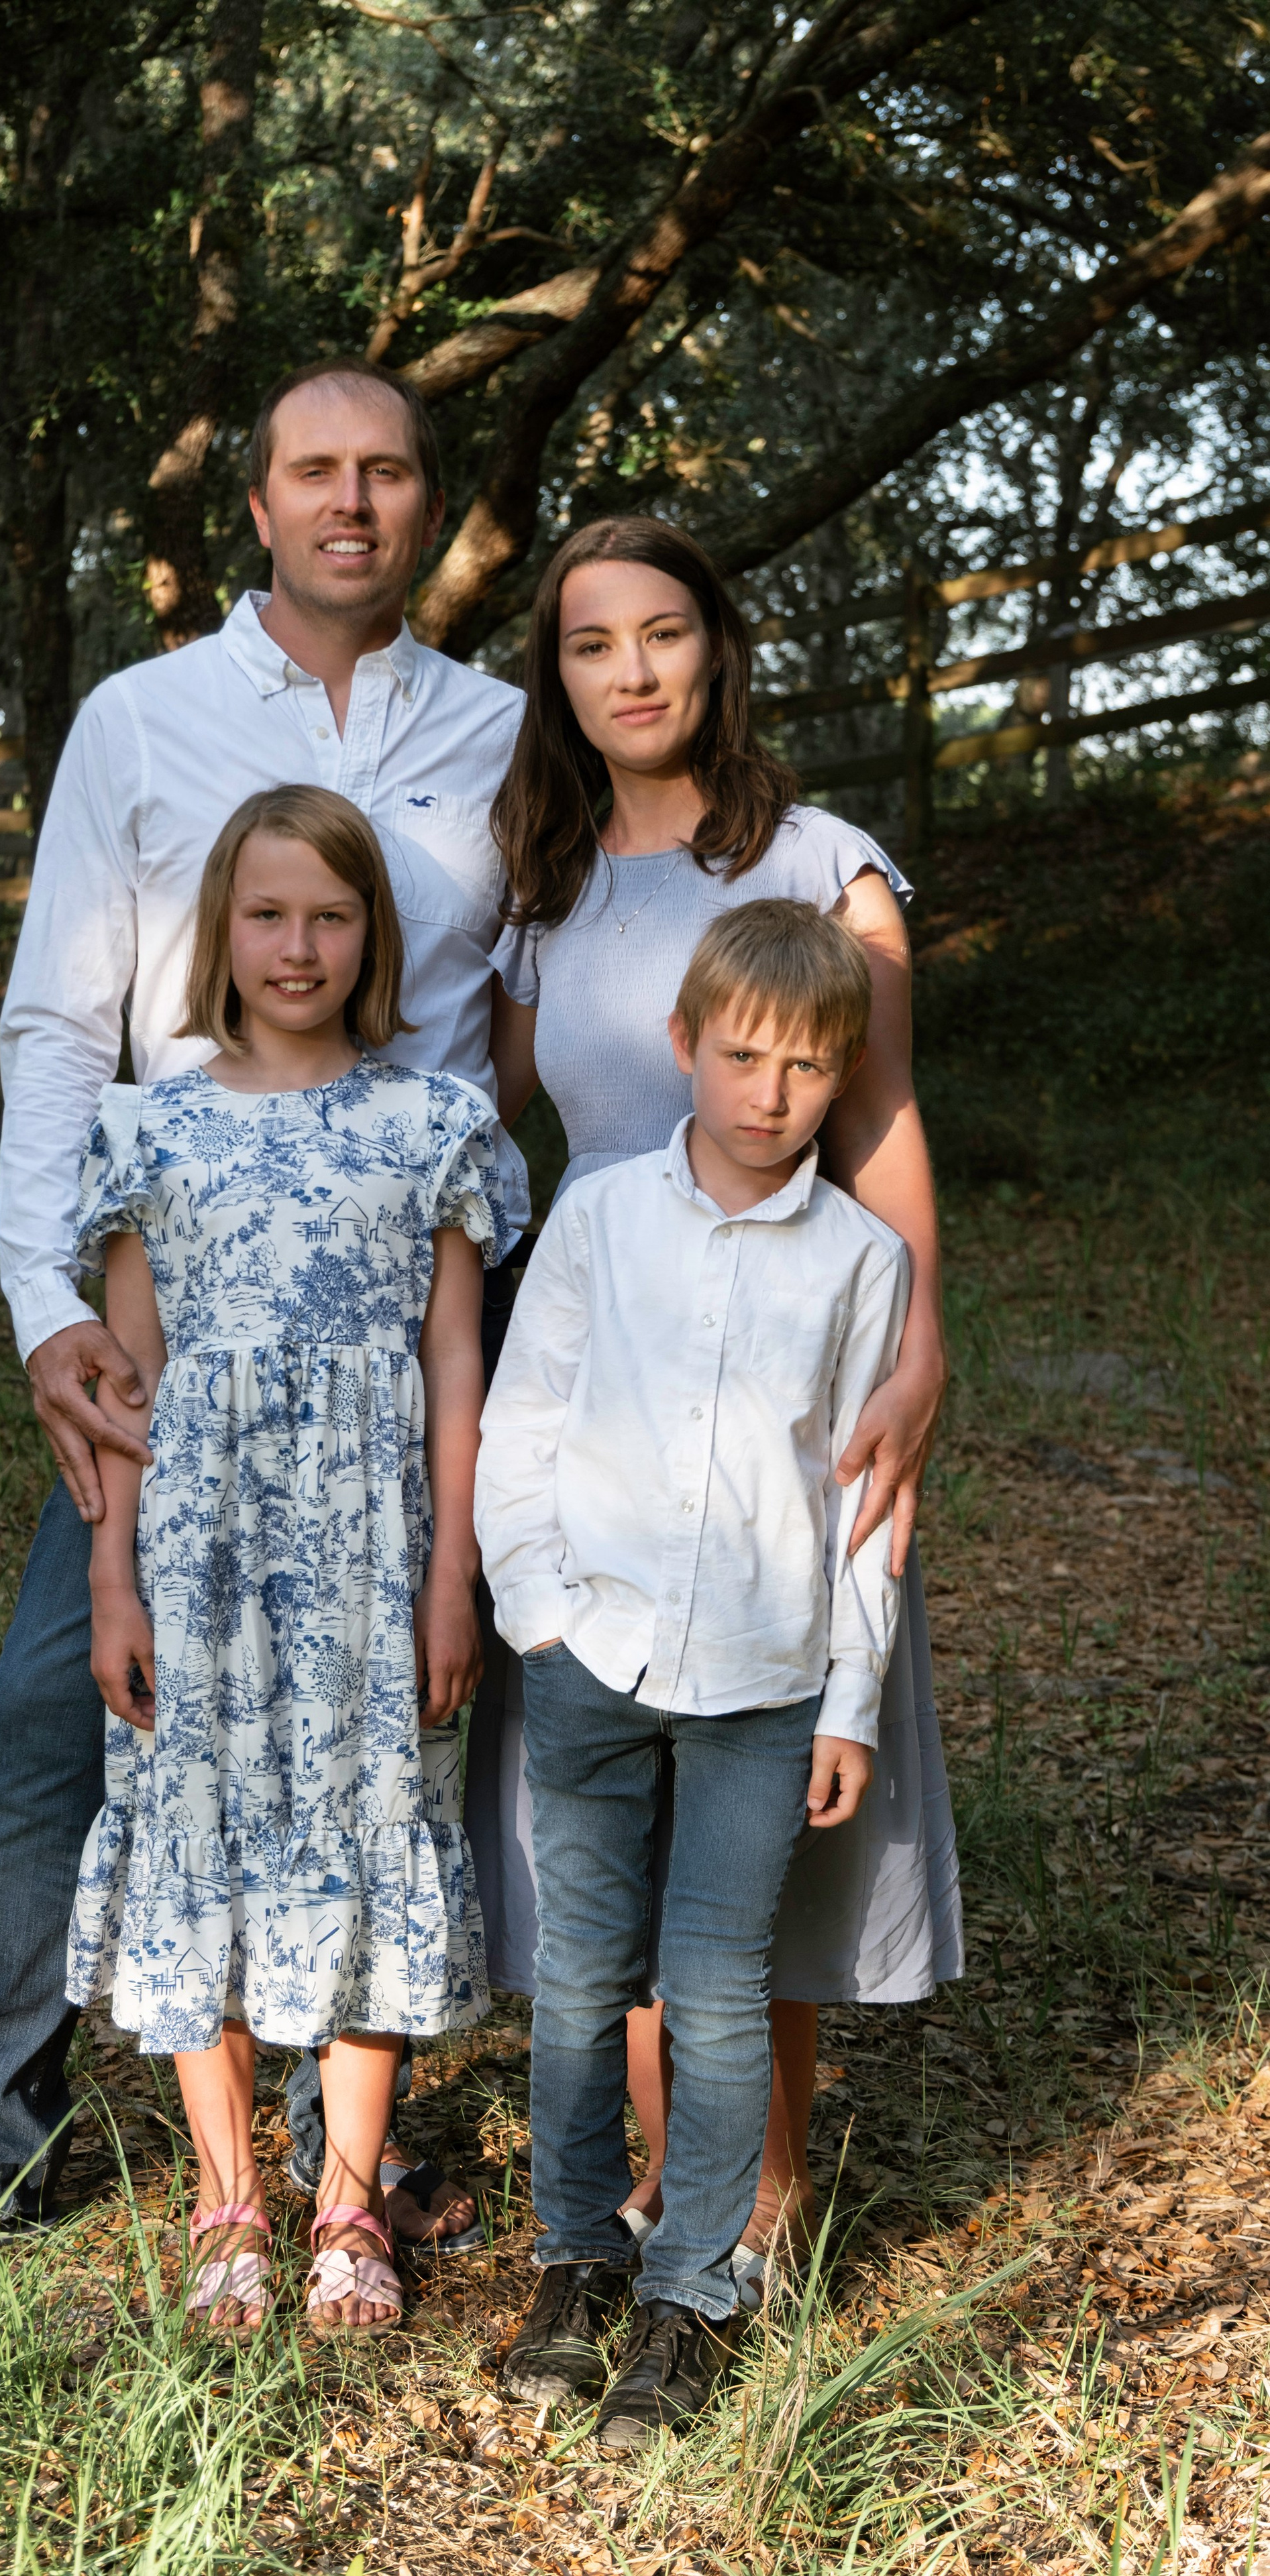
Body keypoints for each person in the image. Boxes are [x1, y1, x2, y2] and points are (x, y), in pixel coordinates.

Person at [0, 354, 521, 2285]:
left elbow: (560, 1007)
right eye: (314, 472)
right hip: (173, 1325)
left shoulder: (504, 739)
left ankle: (344, 2154)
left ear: (427, 502)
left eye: (388, 472)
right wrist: (48, 1310)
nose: (352, 502)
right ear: (258, 508)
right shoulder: (145, 719)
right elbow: (56, 1026)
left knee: (396, 1730)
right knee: (65, 1705)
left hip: (400, 1328)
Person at [475, 514, 962, 2265]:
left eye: (663, 634)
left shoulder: (827, 862)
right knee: (622, 1757)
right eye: (593, 645)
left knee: (764, 1748)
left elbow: (883, 1110)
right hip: (609, 1357)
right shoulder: (546, 893)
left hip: (791, 1351)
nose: (632, 672)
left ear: (715, 649)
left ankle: (762, 2182)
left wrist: (918, 1333)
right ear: (562, 677)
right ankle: (663, 2167)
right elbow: (485, 1118)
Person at [66, 786, 500, 2334]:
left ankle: (347, 2200)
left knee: (377, 1822)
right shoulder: (151, 1129)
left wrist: (453, 1570)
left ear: (371, 934)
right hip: (200, 1547)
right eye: (267, 914)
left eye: (330, 914)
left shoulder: (434, 1123)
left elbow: (456, 1366)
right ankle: (229, 2195)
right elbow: (124, 1377)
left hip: (377, 1549)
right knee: (207, 1834)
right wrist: (112, 1578)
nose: (298, 944)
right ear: (221, 934)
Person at [476, 899, 909, 2448]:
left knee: (717, 1991)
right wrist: (534, 1606)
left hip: (762, 1674)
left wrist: (849, 1699)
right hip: (591, 1653)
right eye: (738, 1056)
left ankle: (690, 2293)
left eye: (803, 1066)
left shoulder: (861, 1261)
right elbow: (520, 1419)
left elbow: (865, 1499)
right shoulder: (595, 1218)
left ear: (838, 1070)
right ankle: (576, 2257)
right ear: (682, 1046)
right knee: (585, 1976)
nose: (766, 1093)